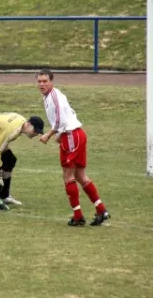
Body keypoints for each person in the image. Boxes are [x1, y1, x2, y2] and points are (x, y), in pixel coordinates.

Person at [37, 69, 110, 226]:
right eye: (39, 81)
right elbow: (68, 114)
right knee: (80, 176)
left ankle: (78, 216)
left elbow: (59, 120)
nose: (42, 84)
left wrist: (48, 135)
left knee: (68, 176)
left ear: (51, 82)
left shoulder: (54, 96)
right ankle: (101, 209)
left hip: (71, 136)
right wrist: (60, 134)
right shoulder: (52, 96)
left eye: (45, 81)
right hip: (74, 134)